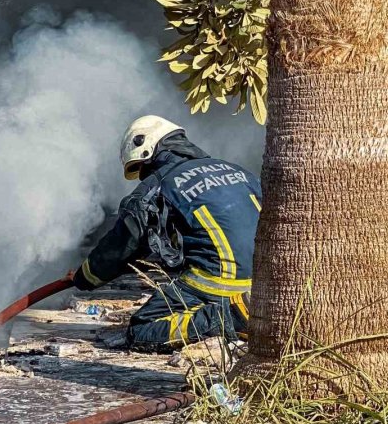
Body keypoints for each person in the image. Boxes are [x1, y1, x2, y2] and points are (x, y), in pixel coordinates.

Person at [73, 115, 262, 351]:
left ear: (147, 149)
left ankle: (229, 317)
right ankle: (247, 306)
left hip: (218, 283)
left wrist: (86, 276)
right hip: (264, 282)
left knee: (142, 330)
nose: (142, 175)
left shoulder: (157, 187)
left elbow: (124, 245)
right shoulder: (239, 171)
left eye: (140, 168)